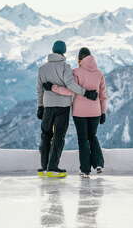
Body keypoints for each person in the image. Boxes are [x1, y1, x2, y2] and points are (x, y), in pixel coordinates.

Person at [37, 41, 98, 178]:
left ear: (53, 50)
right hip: (62, 107)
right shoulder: (65, 67)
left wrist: (40, 106)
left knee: (45, 135)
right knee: (59, 136)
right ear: (64, 51)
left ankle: (44, 167)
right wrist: (86, 93)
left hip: (47, 106)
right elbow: (71, 85)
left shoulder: (42, 69)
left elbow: (39, 90)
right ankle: (53, 167)